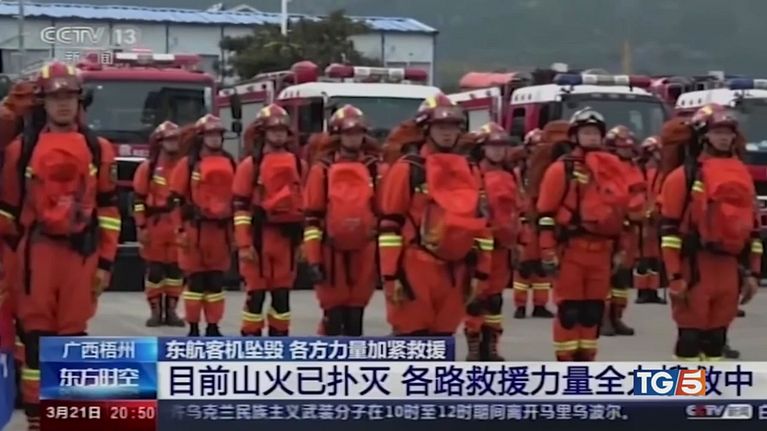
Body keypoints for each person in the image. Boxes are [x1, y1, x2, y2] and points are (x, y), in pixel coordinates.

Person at [0, 61, 120, 431]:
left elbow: (109, 209)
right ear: (43, 102)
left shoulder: (99, 149)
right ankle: (37, 417)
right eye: (55, 97)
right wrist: (11, 267)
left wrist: (105, 262)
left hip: (80, 256)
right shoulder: (21, 150)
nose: (63, 103)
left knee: (72, 340)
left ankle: (67, 415)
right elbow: (7, 211)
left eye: (69, 96)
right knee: (36, 341)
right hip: (35, 255)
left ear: (79, 100)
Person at [378, 94, 492, 336]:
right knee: (412, 337)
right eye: (440, 127)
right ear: (426, 130)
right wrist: (390, 275)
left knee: (443, 339)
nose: (447, 133)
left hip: (457, 268)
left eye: (452, 127)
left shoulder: (469, 169)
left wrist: (481, 272)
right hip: (415, 266)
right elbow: (390, 225)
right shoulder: (408, 169)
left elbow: (481, 225)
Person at [659, 105, 760, 361]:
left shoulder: (743, 175)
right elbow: (669, 231)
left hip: (729, 267)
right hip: (695, 267)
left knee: (716, 340)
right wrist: (674, 276)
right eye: (717, 132)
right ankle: (689, 387)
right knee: (690, 339)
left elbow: (753, 229)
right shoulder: (683, 177)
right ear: (704, 136)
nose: (724, 138)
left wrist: (753, 273)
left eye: (728, 133)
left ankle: (711, 386)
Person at [535, 108, 633, 361]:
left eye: (595, 132)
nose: (591, 137)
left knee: (593, 311)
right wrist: (547, 251)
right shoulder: (561, 170)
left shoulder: (612, 169)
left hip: (602, 252)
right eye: (586, 132)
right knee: (570, 311)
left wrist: (622, 248)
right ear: (574, 136)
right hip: (571, 251)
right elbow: (545, 214)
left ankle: (586, 363)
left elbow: (621, 212)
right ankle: (567, 365)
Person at [304, 105, 384, 336]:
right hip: (330, 250)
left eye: (358, 133)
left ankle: (353, 356)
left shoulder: (374, 169)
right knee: (334, 312)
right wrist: (313, 259)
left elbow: (384, 213)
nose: (353, 138)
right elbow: (312, 218)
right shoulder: (322, 170)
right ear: (337, 136)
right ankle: (331, 355)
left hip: (365, 249)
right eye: (348, 133)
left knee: (356, 313)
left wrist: (385, 261)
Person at [234, 104, 305, 337]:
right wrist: (244, 245)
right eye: (273, 130)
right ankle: (251, 341)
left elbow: (305, 204)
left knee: (282, 297)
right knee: (256, 295)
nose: (278, 135)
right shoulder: (250, 166)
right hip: (258, 239)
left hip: (287, 240)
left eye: (282, 130)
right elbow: (241, 208)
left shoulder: (299, 164)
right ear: (263, 133)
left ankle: (279, 340)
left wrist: (304, 242)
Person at [170, 114, 235, 337]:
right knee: (195, 283)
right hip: (194, 231)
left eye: (218, 135)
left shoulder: (230, 162)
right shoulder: (187, 165)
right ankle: (193, 327)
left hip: (220, 232)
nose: (215, 139)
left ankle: (213, 326)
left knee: (216, 283)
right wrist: (179, 229)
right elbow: (175, 200)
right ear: (201, 137)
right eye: (210, 134)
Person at [463, 122, 521, 360]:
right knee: (476, 299)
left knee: (495, 300)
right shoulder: (472, 174)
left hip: (502, 249)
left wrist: (519, 242)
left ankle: (491, 344)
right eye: (493, 146)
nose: (498, 151)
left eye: (502, 146)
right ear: (482, 148)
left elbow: (518, 210)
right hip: (480, 248)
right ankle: (474, 346)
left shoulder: (511, 176)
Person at [133, 121, 185, 327]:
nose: (173, 144)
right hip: (155, 225)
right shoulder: (148, 168)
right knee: (155, 270)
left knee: (175, 271)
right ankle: (155, 311)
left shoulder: (185, 166)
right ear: (160, 142)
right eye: (169, 140)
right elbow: (138, 200)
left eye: (176, 140)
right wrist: (141, 226)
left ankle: (171, 311)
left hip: (177, 224)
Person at [512, 126, 559, 319]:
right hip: (525, 222)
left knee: (542, 267)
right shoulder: (518, 172)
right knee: (524, 267)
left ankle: (540, 304)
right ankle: (520, 305)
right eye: (534, 147)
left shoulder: (548, 170)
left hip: (543, 221)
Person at [600, 125, 643, 337]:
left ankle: (617, 316)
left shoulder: (634, 167)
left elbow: (640, 194)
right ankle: (603, 318)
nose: (627, 151)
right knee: (606, 276)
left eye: (629, 147)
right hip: (614, 228)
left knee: (622, 278)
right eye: (623, 147)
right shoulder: (606, 168)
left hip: (631, 229)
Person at [635, 135, 666, 304]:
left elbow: (663, 193)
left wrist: (658, 209)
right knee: (642, 258)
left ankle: (653, 291)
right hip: (641, 220)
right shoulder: (638, 172)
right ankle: (642, 291)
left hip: (655, 219)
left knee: (654, 257)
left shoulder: (661, 173)